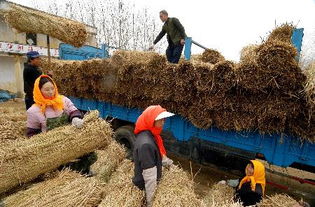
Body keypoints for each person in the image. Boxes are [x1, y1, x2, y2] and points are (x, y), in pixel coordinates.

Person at [26, 75, 95, 174]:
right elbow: (31, 134)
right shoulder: (34, 110)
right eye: (46, 90)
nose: (51, 92)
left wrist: (75, 117)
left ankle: (85, 174)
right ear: (39, 91)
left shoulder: (63, 100)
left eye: (52, 88)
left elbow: (73, 110)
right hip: (53, 148)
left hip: (70, 140)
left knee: (84, 159)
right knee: (63, 171)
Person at [132, 105, 175, 207]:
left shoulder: (149, 135)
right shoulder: (146, 144)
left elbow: (157, 154)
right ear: (151, 121)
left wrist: (166, 162)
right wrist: (151, 202)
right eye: (160, 120)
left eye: (164, 119)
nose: (163, 122)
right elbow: (150, 178)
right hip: (144, 187)